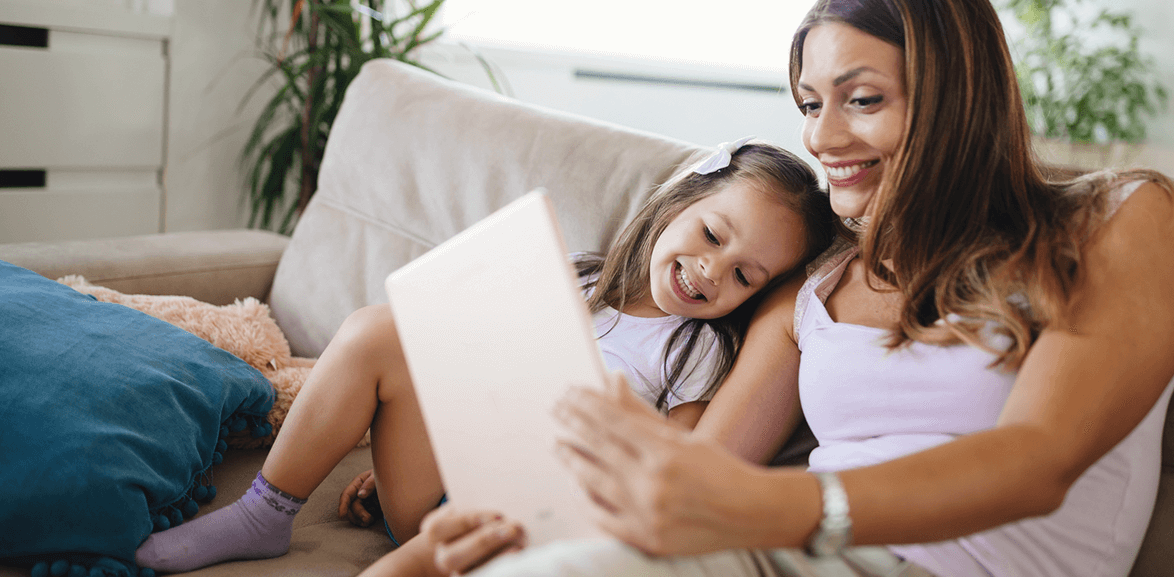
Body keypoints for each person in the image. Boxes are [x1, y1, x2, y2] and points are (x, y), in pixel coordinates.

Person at [408, 0, 1174, 577]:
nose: (822, 139)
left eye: (861, 99)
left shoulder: (1117, 219)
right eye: (809, 104)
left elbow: (1037, 462)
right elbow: (699, 477)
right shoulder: (813, 289)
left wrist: (763, 506)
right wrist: (525, 521)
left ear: (956, 98)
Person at [133, 139, 837, 574]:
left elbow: (656, 469)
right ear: (680, 202)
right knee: (381, 329)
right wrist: (412, 451)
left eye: (745, 276)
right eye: (713, 235)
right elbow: (464, 369)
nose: (714, 272)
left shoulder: (696, 356)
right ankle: (265, 513)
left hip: (520, 524)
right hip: (446, 482)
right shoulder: (579, 279)